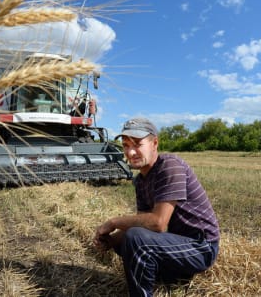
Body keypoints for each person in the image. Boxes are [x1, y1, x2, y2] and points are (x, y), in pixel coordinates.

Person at [93, 117, 220, 297]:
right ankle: (169, 277)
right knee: (126, 242)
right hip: (178, 243)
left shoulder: (170, 166)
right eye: (126, 145)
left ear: (154, 143)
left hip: (201, 247)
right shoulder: (140, 181)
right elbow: (141, 225)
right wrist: (110, 241)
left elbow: (158, 223)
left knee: (134, 238)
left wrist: (114, 222)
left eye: (137, 144)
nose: (130, 152)